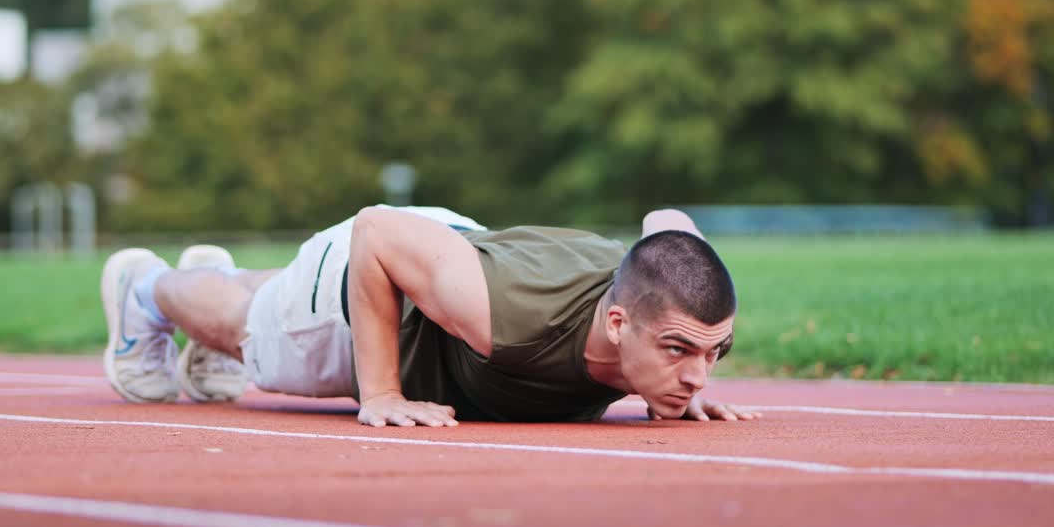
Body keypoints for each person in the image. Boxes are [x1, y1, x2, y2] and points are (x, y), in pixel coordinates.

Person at [101, 205, 758, 427]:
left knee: (268, 300)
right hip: (373, 285)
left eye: (713, 354)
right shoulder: (514, 314)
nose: (700, 374)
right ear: (619, 325)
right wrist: (382, 392)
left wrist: (670, 376)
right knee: (261, 333)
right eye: (680, 351)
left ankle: (210, 274)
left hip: (452, 259)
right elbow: (377, 234)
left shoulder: (650, 299)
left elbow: (668, 227)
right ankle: (147, 288)